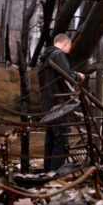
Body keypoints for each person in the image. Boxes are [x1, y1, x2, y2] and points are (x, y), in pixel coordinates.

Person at [37, 33, 85, 172]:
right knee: (61, 140)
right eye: (68, 47)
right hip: (59, 104)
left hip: (47, 104)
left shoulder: (44, 58)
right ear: (65, 43)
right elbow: (67, 76)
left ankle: (48, 172)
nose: (68, 51)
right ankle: (56, 174)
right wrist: (78, 76)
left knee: (51, 139)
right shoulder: (58, 55)